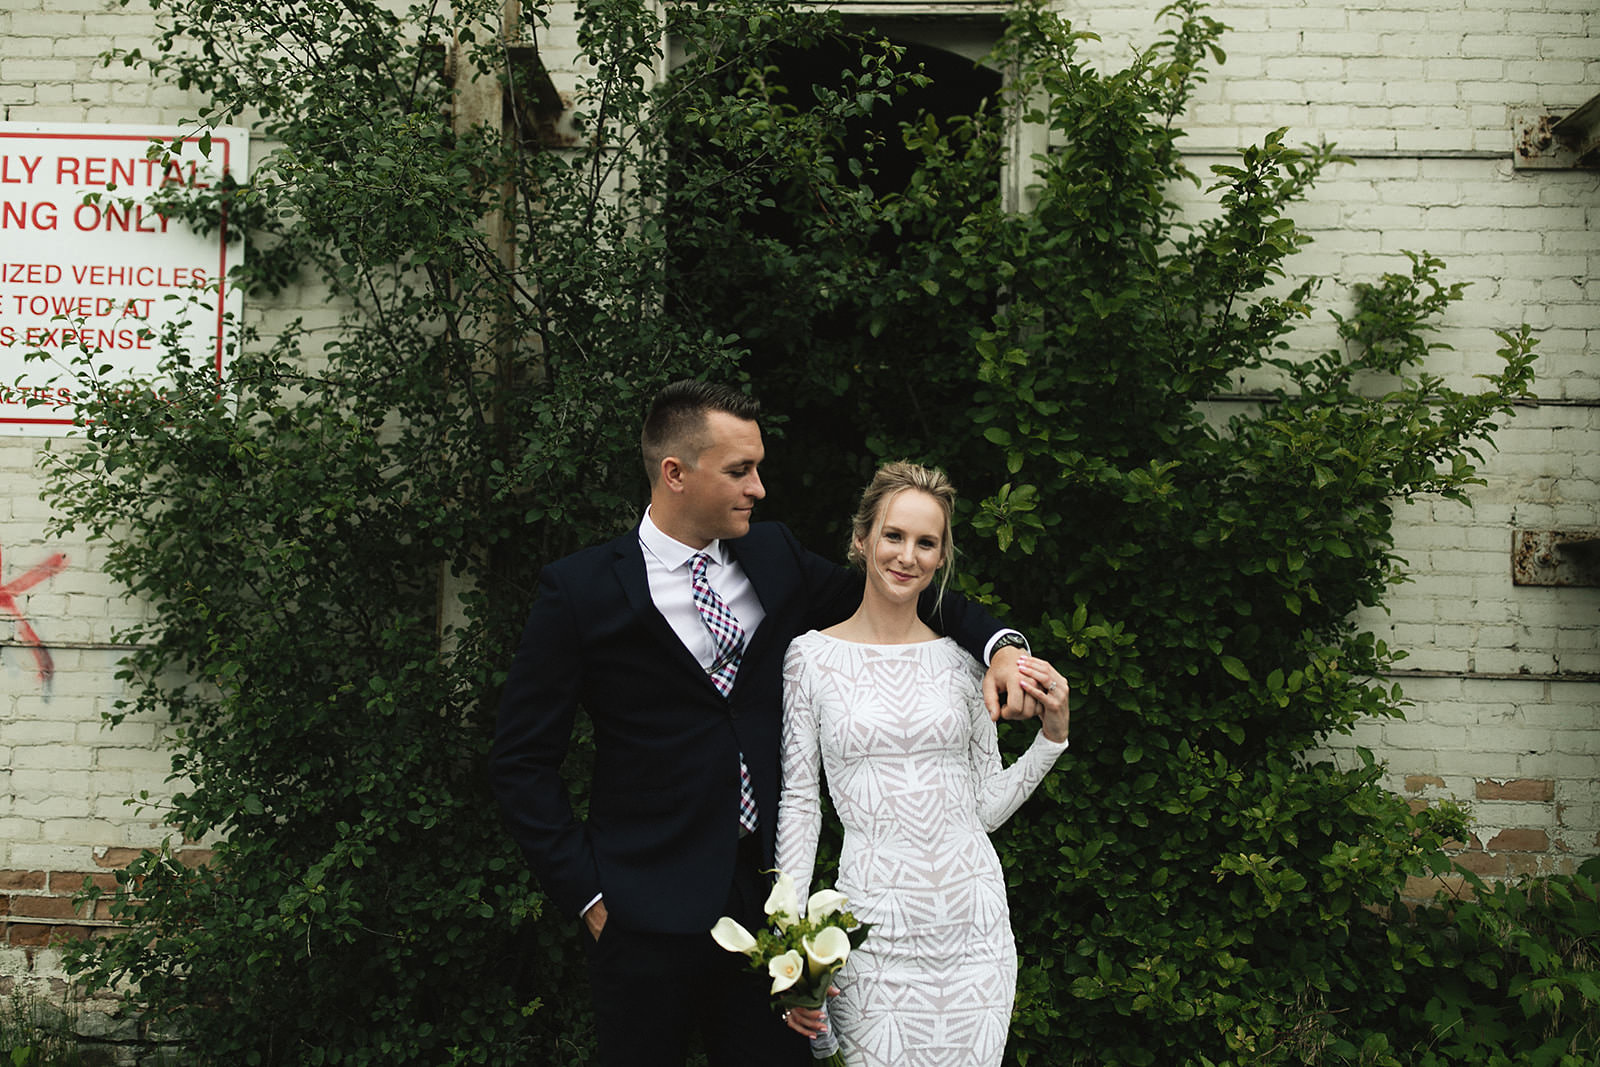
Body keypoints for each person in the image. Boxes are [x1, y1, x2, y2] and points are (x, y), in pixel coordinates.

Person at [489, 382, 1042, 1067]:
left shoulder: (774, 556)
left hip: (769, 912)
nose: (759, 486)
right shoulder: (581, 590)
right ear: (675, 473)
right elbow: (520, 761)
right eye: (739, 469)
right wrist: (591, 895)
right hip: (640, 910)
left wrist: (1003, 647)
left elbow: (899, 594)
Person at [775, 461, 1071, 1067]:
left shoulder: (966, 664)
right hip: (873, 935)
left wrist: (1051, 740)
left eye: (926, 542)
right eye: (893, 536)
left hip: (975, 934)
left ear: (941, 558)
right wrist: (790, 937)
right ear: (861, 541)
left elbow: (984, 808)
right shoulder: (809, 660)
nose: (907, 555)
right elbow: (800, 805)